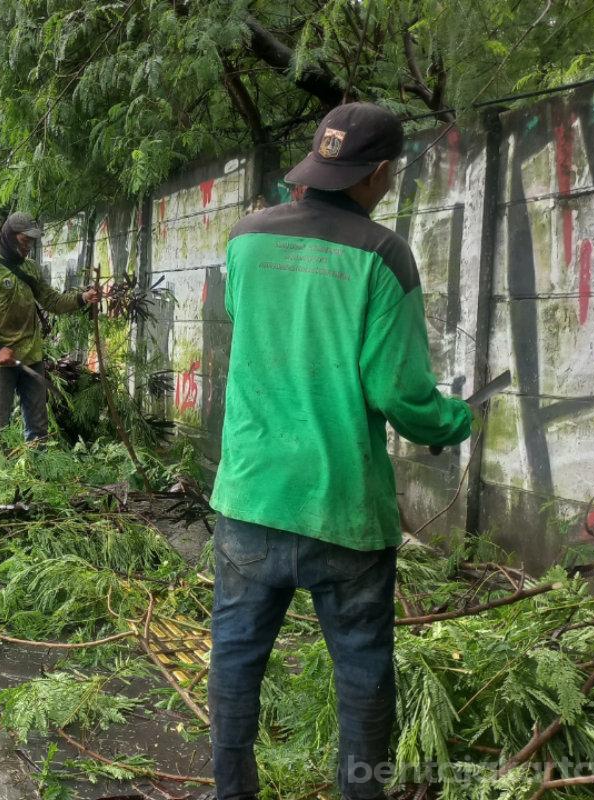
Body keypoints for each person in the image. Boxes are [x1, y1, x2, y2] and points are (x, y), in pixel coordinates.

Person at [208, 103, 472, 800]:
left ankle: (230, 793)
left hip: (251, 495)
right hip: (343, 509)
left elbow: (251, 325)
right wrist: (455, 422)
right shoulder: (384, 256)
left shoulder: (244, 241)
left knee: (235, 659)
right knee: (361, 674)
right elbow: (401, 394)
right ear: (381, 173)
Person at [0, 212, 100, 440]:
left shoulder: (31, 269)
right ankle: (1, 471)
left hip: (32, 358)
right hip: (0, 362)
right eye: (24, 240)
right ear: (9, 236)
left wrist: (82, 298)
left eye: (31, 241)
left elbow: (52, 301)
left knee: (38, 425)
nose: (28, 246)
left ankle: (37, 468)